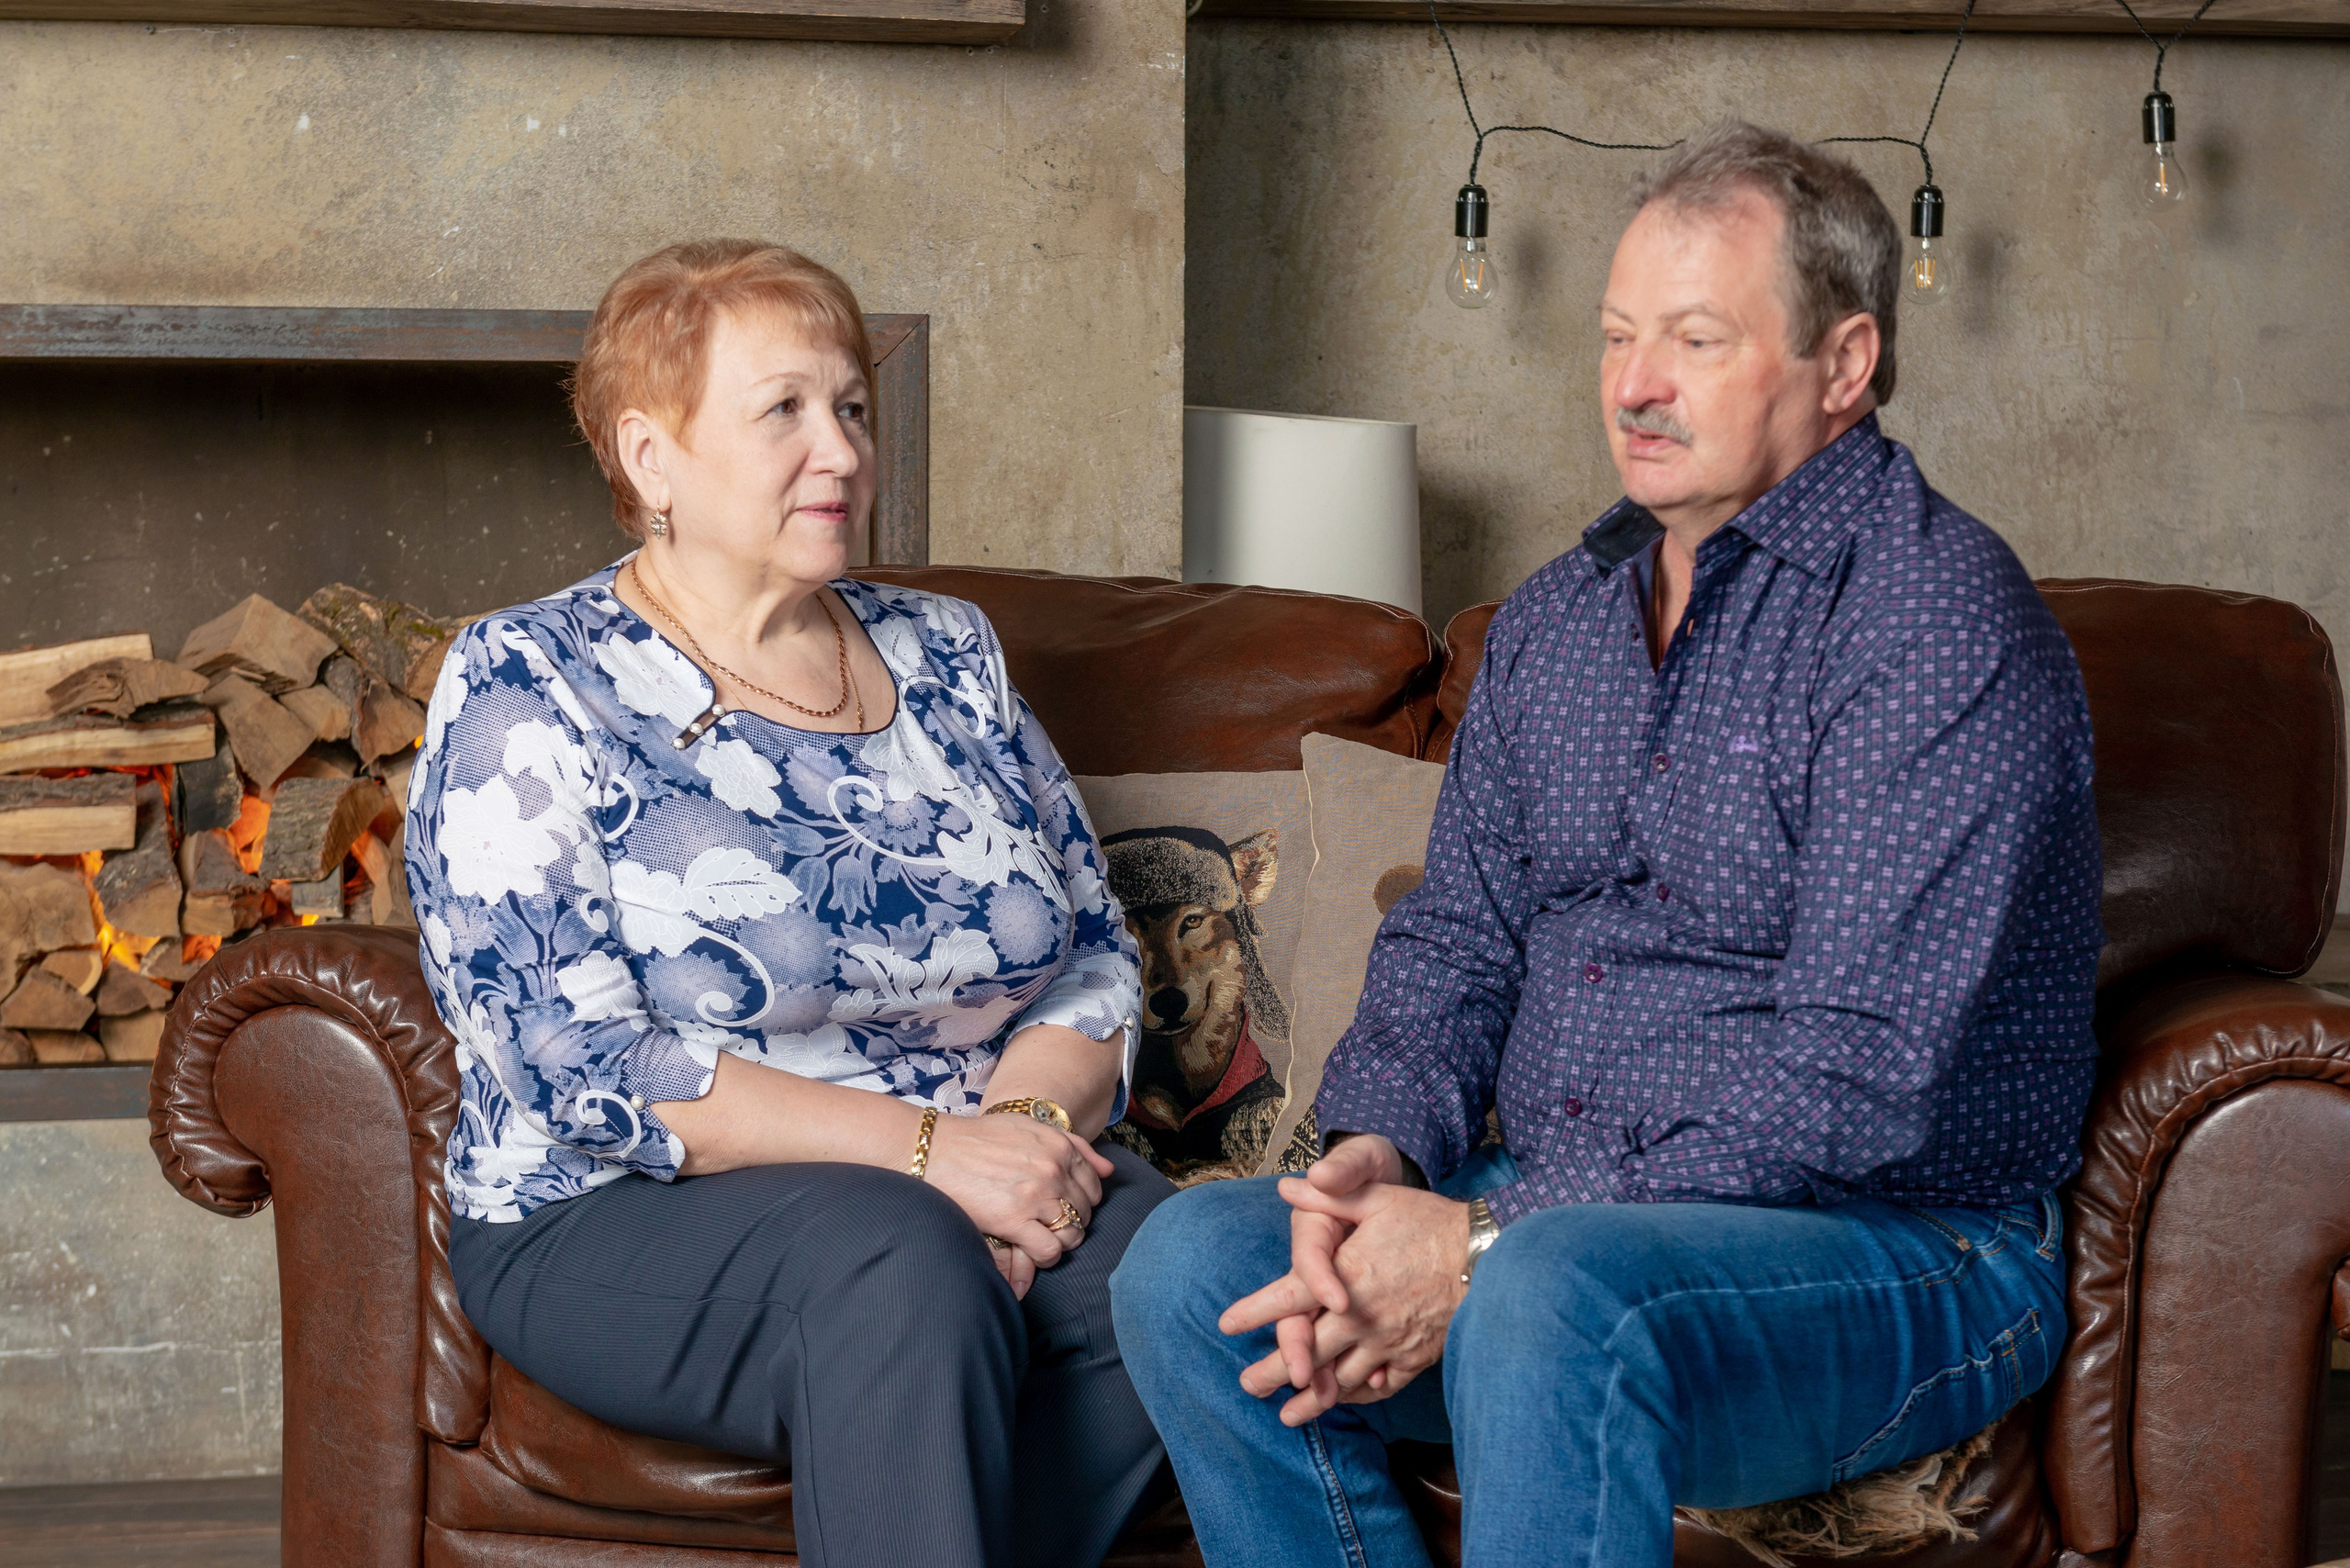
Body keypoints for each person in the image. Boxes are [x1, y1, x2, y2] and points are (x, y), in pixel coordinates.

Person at [1110, 121, 2104, 1567]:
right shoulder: (1564, 621)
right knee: (1193, 1267)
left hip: (1907, 1248)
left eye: (1695, 341)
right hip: (1563, 1218)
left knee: (1551, 1296)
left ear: (1846, 365)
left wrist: (1479, 1246)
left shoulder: (1936, 623)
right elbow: (1458, 940)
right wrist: (1369, 1166)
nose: (1633, 387)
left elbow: (1858, 1084)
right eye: (1617, 336)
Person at [406, 239, 1171, 1568]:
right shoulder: (529, 680)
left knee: (1189, 1264)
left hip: (957, 1170)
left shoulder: (948, 654)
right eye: (785, 413)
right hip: (614, 1208)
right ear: (651, 459)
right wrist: (936, 1168)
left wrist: (1022, 1138)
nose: (841, 452)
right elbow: (577, 1063)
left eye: (854, 408)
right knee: (896, 1271)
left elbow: (1094, 952)